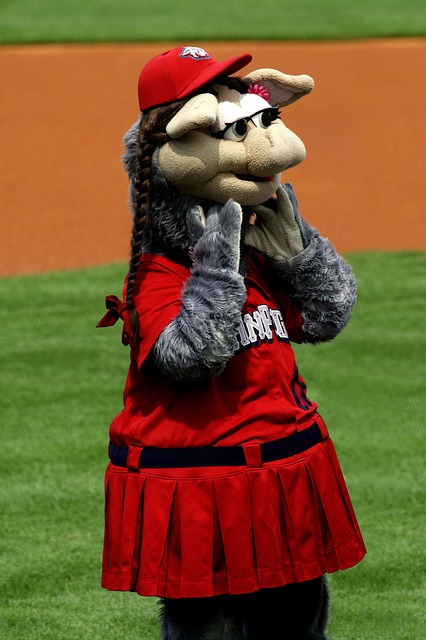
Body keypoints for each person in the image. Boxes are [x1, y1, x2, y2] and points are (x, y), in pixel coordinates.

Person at [98, 45, 366, 639]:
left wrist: (299, 251)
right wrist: (216, 260)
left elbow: (326, 316)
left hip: (281, 481)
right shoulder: (156, 278)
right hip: (203, 495)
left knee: (297, 626)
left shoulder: (260, 254)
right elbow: (195, 354)